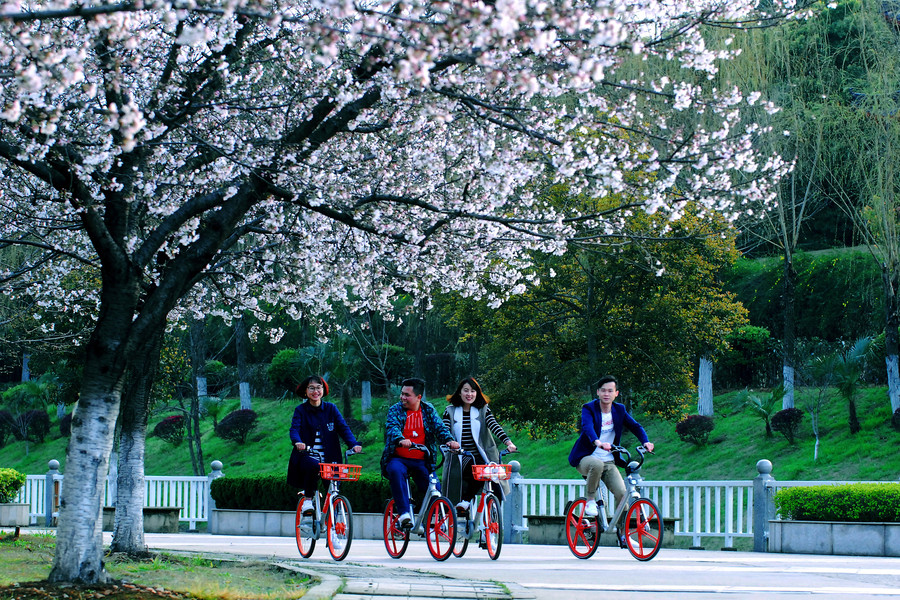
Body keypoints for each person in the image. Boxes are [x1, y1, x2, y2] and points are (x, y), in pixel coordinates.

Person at [568, 375, 655, 519]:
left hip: (608, 461)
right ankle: (590, 500)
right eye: (603, 391)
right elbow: (587, 427)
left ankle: (622, 535)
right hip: (586, 458)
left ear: (616, 393)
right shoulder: (589, 408)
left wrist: (645, 442)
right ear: (598, 392)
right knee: (596, 464)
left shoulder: (619, 410)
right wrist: (598, 442)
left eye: (610, 391)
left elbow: (635, 426)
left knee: (622, 494)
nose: (606, 394)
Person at [381, 377, 460, 527]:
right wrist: (400, 439)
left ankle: (434, 518)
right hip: (399, 458)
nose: (402, 398)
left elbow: (440, 427)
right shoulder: (395, 410)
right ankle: (404, 513)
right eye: (402, 394)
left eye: (407, 395)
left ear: (418, 397)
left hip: (422, 460)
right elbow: (392, 427)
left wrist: (449, 440)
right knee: (395, 471)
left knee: (433, 487)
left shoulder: (428, 410)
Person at [287, 375, 362, 514]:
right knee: (313, 466)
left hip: (330, 457)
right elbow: (294, 429)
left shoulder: (331, 409)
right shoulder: (301, 410)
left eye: (318, 387)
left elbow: (343, 428)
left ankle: (334, 520)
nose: (315, 391)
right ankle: (308, 500)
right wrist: (298, 442)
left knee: (333, 486)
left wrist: (353, 444)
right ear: (305, 391)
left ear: (323, 390)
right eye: (311, 388)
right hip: (308, 455)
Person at [442, 377, 517, 513]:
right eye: (466, 391)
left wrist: (509, 443)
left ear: (477, 393)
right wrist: (449, 442)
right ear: (459, 393)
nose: (469, 394)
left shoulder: (483, 410)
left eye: (473, 391)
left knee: (493, 477)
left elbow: (494, 426)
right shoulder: (450, 411)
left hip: (483, 454)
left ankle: (493, 517)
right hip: (461, 455)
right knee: (475, 467)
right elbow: (445, 430)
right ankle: (466, 500)